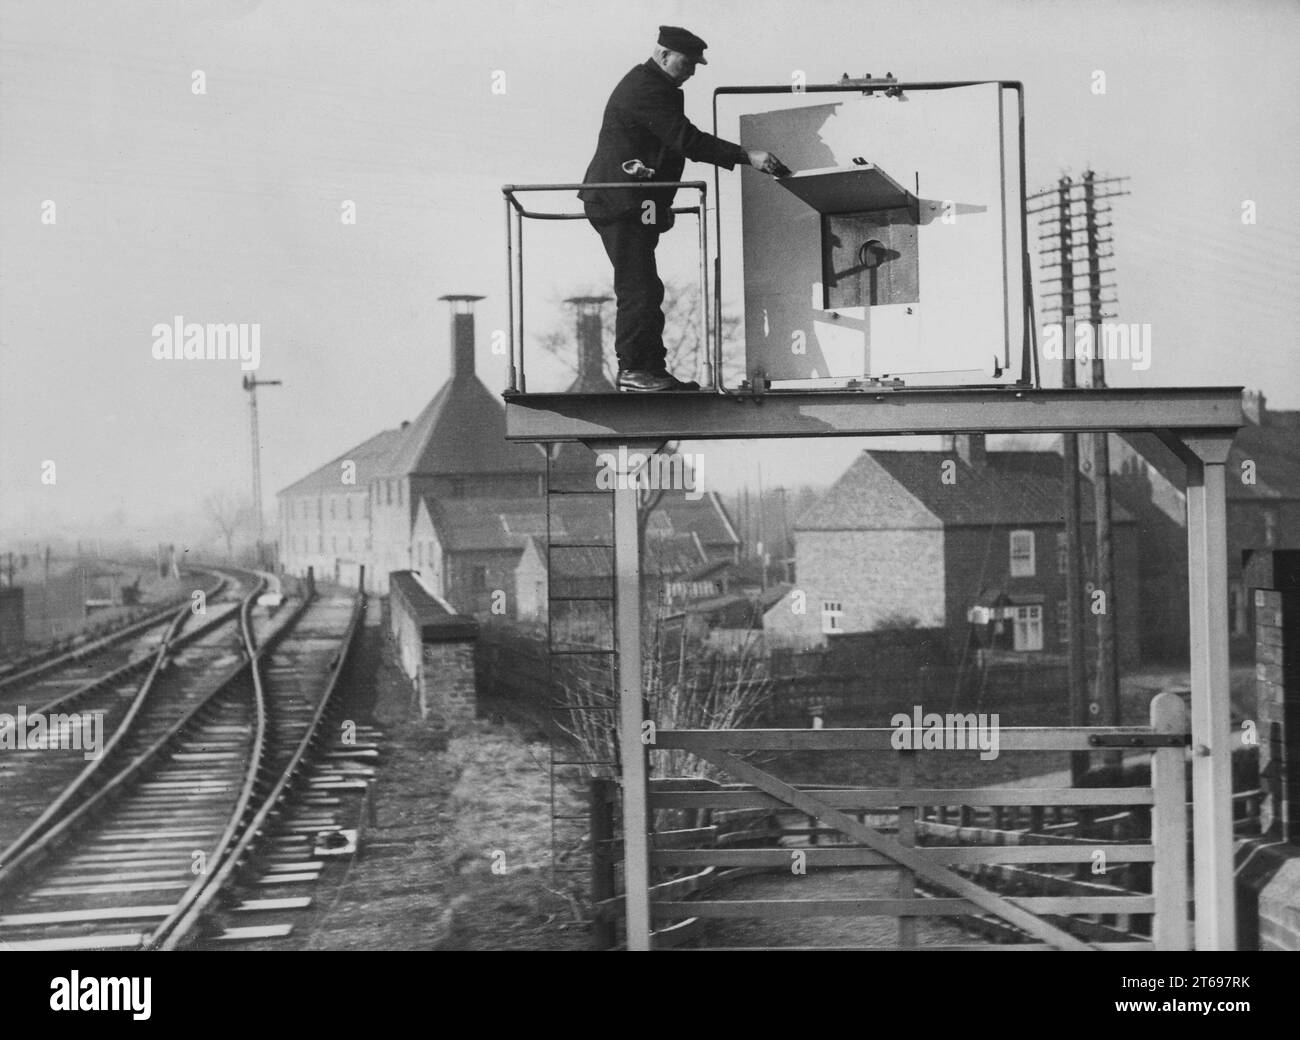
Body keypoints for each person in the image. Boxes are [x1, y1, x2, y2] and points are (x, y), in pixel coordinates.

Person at [580, 26, 790, 392]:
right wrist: (746, 156)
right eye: (688, 62)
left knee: (647, 287)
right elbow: (685, 141)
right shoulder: (646, 87)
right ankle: (634, 370)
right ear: (663, 55)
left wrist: (660, 207)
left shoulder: (657, 87)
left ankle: (650, 369)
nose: (692, 70)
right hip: (621, 201)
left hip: (639, 203)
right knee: (638, 288)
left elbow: (667, 148)